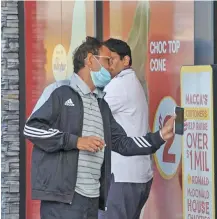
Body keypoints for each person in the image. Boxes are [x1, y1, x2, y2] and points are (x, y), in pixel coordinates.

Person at [23, 36, 175, 219]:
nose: (110, 67)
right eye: (107, 60)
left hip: (92, 201)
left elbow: (122, 143)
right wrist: (76, 141)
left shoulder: (101, 104)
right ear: (90, 60)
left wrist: (160, 136)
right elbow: (31, 129)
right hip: (62, 201)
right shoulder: (60, 93)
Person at [99, 38, 152, 219]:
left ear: (126, 60)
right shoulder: (131, 82)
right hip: (135, 175)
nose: (106, 65)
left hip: (122, 176)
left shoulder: (119, 86)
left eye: (111, 59)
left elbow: (91, 116)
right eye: (103, 60)